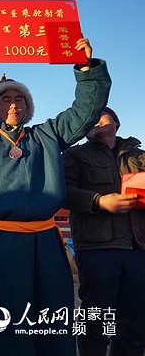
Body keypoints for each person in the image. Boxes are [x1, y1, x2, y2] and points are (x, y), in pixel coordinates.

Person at [0, 39, 111, 356]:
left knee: (47, 318)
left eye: (19, 99)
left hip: (43, 244)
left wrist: (85, 68)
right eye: (5, 100)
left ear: (28, 107)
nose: (13, 105)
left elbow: (86, 111)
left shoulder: (48, 135)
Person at [63, 107, 145, 356]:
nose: (96, 119)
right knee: (95, 318)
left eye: (102, 114)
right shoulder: (74, 155)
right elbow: (64, 193)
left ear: (116, 123)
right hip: (97, 247)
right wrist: (99, 201)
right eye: (91, 117)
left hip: (138, 246)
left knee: (135, 320)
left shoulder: (140, 156)